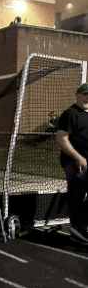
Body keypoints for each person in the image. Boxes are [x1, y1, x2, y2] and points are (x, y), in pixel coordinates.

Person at [56, 83, 88, 244]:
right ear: (77, 95)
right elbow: (62, 138)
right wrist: (78, 157)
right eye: (85, 94)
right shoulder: (71, 113)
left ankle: (80, 224)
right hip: (74, 162)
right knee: (77, 194)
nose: (87, 98)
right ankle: (77, 228)